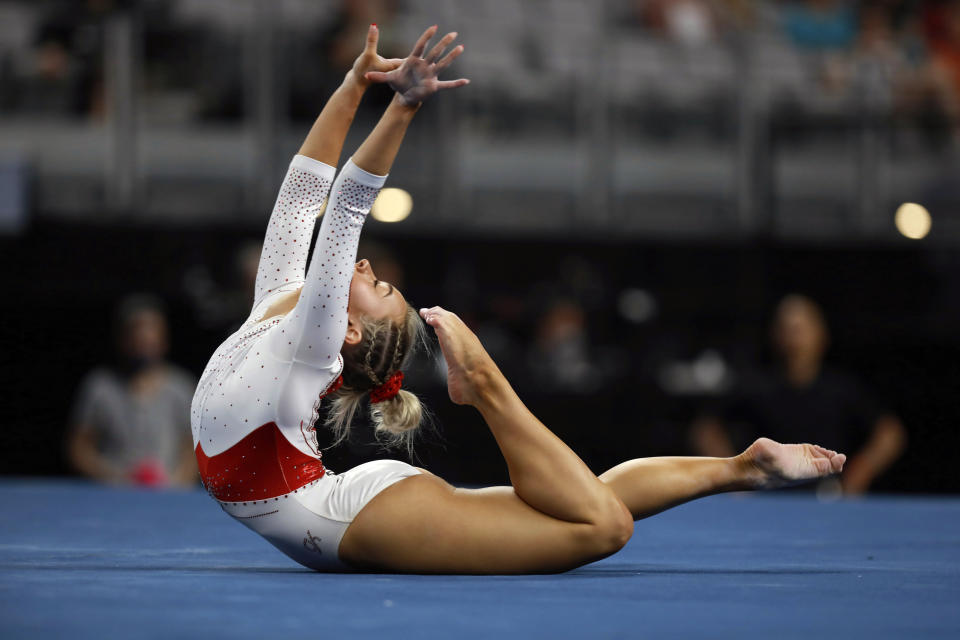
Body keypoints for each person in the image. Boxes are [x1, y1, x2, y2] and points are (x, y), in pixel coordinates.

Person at [191, 25, 846, 574]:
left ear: (349, 330)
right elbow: (305, 192)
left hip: (348, 522)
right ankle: (740, 469)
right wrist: (352, 85)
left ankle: (485, 385)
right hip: (345, 510)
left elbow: (344, 213)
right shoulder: (278, 300)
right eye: (375, 278)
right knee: (578, 502)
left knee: (600, 526)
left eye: (376, 287)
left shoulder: (312, 344)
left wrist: (403, 107)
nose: (362, 266)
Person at [690, 294, 906, 495]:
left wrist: (861, 470)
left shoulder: (841, 389)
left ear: (821, 334)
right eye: (787, 329)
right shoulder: (756, 386)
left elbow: (889, 433)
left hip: (827, 495)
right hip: (768, 496)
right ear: (774, 335)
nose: (795, 339)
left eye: (801, 329)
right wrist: (733, 474)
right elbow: (707, 429)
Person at [69, 294, 197, 488]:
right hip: (112, 493)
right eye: (137, 333)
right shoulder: (100, 386)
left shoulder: (182, 386)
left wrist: (177, 484)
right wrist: (111, 476)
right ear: (122, 338)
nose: (144, 340)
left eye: (152, 334)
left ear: (164, 340)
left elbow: (194, 448)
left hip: (168, 496)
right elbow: (79, 447)